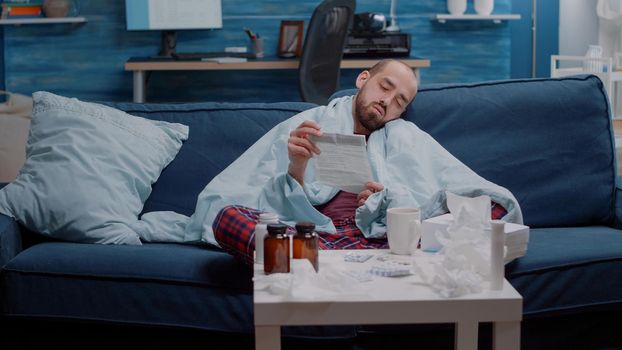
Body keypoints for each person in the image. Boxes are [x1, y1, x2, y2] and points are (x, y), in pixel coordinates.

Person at [179, 59, 522, 263]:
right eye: (384, 87)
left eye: (400, 101)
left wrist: (386, 203)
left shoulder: (408, 138)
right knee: (228, 219)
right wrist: (296, 167)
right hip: (308, 232)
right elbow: (256, 198)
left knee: (485, 213)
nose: (387, 101)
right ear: (363, 79)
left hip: (373, 238)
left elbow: (466, 193)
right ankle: (329, 262)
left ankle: (311, 265)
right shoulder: (310, 122)